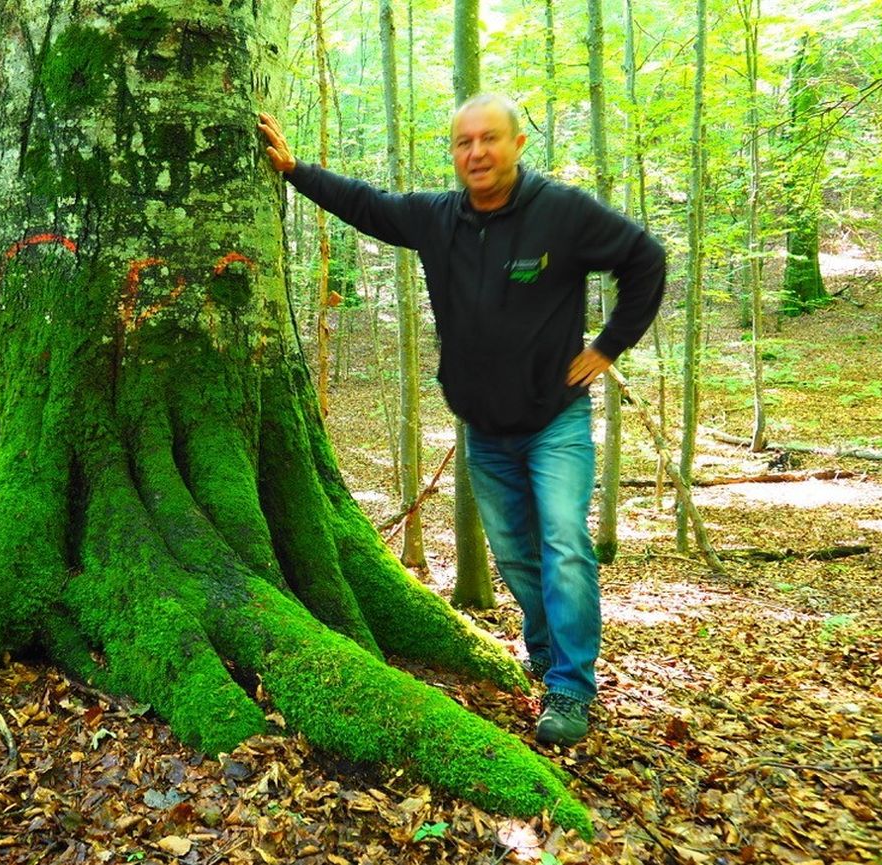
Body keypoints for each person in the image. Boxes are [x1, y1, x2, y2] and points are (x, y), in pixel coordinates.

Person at [258, 94, 665, 746]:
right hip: (485, 430)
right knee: (516, 556)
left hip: (555, 421)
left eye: (489, 139)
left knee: (564, 543)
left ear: (517, 145)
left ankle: (570, 685)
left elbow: (645, 259)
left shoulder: (561, 212)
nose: (476, 152)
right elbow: (369, 206)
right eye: (463, 142)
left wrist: (609, 345)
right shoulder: (438, 218)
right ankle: (547, 648)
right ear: (454, 152)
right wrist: (296, 171)